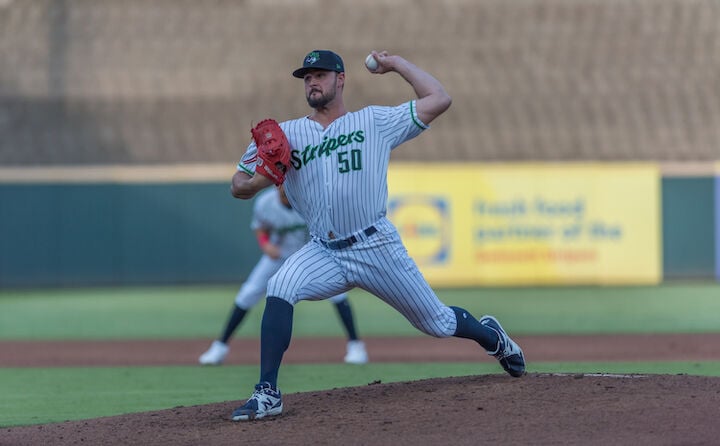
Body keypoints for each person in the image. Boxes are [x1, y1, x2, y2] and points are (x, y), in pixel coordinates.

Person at [228, 49, 525, 421]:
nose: (312, 82)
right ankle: (267, 392)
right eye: (307, 77)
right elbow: (238, 185)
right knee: (280, 286)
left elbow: (439, 99)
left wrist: (396, 64)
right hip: (323, 250)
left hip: (375, 246)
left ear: (341, 80)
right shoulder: (286, 134)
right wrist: (263, 178)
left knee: (437, 323)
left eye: (320, 75)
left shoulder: (374, 122)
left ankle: (492, 337)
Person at [198, 184, 368, 366]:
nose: (284, 188)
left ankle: (356, 346)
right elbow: (260, 228)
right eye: (281, 184)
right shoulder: (265, 202)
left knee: (338, 295)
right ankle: (219, 348)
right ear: (277, 184)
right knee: (248, 293)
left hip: (311, 255)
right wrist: (265, 244)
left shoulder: (309, 200)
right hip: (278, 256)